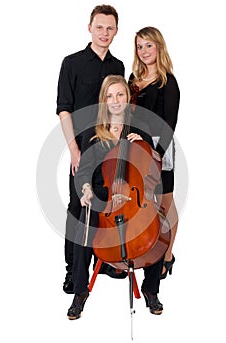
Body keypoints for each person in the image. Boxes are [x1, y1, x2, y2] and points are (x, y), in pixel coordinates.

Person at [67, 75, 164, 320]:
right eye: (110, 96)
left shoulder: (140, 128)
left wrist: (146, 146)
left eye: (120, 94)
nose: (116, 100)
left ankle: (151, 290)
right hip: (102, 197)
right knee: (83, 226)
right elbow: (84, 170)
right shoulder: (94, 132)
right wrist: (86, 189)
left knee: (161, 226)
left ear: (128, 97)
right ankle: (79, 293)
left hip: (134, 198)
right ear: (104, 100)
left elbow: (156, 167)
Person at [56, 4, 127, 294]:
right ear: (89, 28)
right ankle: (73, 274)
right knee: (77, 210)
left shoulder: (118, 66)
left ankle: (106, 261)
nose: (104, 33)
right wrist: (73, 150)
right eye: (99, 27)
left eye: (110, 28)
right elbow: (64, 110)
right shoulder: (71, 63)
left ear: (116, 31)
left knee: (107, 206)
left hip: (110, 150)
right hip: (82, 151)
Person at [128, 26, 180, 279]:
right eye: (139, 46)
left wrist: (152, 148)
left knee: (166, 206)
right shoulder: (132, 79)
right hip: (136, 150)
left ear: (159, 46)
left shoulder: (167, 81)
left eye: (149, 45)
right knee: (143, 205)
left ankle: (167, 256)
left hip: (160, 149)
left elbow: (169, 124)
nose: (144, 51)